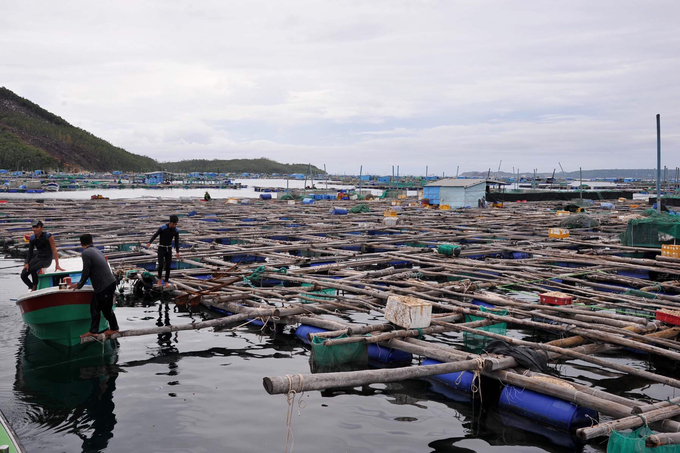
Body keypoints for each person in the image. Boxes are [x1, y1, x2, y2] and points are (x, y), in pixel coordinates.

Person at [67, 234, 119, 338]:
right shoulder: (96, 250)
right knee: (95, 307)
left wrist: (79, 285)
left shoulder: (86, 253)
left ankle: (114, 328)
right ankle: (93, 331)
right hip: (107, 284)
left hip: (105, 285)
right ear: (92, 242)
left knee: (106, 310)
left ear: (81, 244)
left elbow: (86, 271)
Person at [21, 220, 64, 291]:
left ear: (42, 228)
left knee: (33, 269)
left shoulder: (48, 236)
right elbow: (30, 252)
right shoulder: (32, 238)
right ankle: (31, 286)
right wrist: (27, 263)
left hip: (46, 259)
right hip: (38, 258)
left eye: (37, 227)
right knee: (23, 274)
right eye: (33, 227)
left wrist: (57, 264)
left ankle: (35, 287)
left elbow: (54, 250)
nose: (35, 229)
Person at [146, 215, 180, 286]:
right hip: (161, 248)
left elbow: (176, 242)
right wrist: (150, 242)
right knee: (161, 265)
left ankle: (166, 281)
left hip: (169, 248)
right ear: (170, 222)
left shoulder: (176, 231)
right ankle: (159, 279)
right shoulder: (163, 228)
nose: (175, 225)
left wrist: (177, 251)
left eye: (176, 224)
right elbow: (155, 235)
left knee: (168, 265)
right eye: (174, 224)